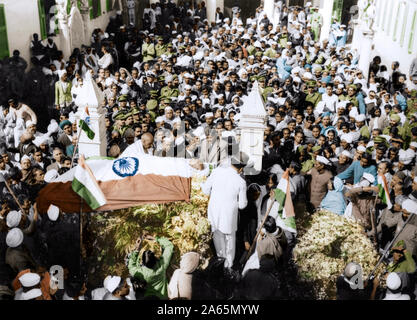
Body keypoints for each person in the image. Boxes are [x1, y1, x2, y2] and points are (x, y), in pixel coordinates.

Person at [202, 152, 248, 270]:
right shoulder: (241, 181)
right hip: (229, 216)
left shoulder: (217, 171)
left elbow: (205, 190)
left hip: (214, 212)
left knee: (218, 238)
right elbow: (242, 205)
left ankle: (220, 265)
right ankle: (228, 268)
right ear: (241, 168)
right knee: (230, 241)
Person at [128, 235, 174, 299]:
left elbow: (131, 266)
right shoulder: (162, 265)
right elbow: (169, 246)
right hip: (163, 297)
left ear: (143, 262)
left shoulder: (141, 273)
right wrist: (155, 238)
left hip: (148, 298)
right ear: (155, 259)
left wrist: (137, 249)